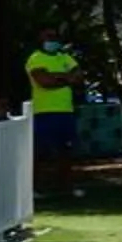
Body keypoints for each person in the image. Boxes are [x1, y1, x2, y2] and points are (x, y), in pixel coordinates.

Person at [24, 34, 79, 170]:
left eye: (55, 38)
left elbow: (78, 78)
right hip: (44, 111)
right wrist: (66, 78)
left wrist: (55, 76)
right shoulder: (36, 58)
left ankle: (64, 185)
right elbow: (45, 82)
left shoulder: (64, 57)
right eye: (48, 37)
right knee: (42, 150)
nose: (52, 41)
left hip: (66, 111)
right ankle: (39, 185)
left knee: (66, 150)